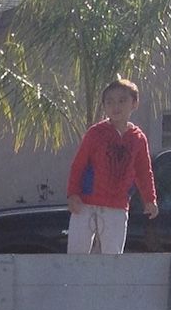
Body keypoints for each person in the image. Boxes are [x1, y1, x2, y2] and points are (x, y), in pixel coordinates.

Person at [66, 78, 158, 254]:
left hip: (117, 207)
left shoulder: (138, 138)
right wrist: (73, 194)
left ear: (134, 103)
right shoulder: (95, 133)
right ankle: (74, 282)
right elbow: (78, 165)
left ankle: (109, 283)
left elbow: (144, 171)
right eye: (110, 102)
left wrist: (150, 199)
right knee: (76, 254)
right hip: (85, 204)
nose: (116, 106)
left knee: (113, 256)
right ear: (104, 106)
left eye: (122, 100)